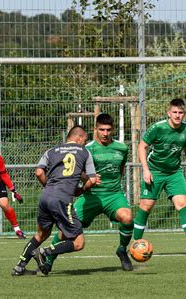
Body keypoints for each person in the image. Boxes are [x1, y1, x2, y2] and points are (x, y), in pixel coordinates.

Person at [45, 113, 134, 272]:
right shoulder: (86, 149)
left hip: (113, 195)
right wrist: (89, 178)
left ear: (112, 129)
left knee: (127, 217)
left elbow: (121, 168)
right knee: (67, 229)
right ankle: (48, 259)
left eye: (108, 130)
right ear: (95, 129)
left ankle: (122, 250)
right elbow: (76, 171)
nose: (105, 133)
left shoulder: (122, 148)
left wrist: (115, 185)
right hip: (91, 196)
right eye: (101, 130)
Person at [12, 125, 97, 276]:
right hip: (62, 199)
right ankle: (44, 252)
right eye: (85, 140)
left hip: (45, 197)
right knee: (79, 243)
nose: (85, 143)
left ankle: (19, 267)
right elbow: (92, 179)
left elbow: (39, 172)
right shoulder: (85, 152)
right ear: (79, 138)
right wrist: (81, 190)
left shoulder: (51, 151)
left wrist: (49, 187)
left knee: (41, 234)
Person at [133, 98, 186, 255]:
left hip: (174, 173)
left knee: (182, 204)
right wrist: (145, 170)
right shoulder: (157, 128)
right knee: (146, 207)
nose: (177, 115)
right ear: (169, 113)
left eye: (180, 113)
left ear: (184, 114)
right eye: (175, 112)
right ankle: (135, 244)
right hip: (154, 171)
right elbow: (142, 146)